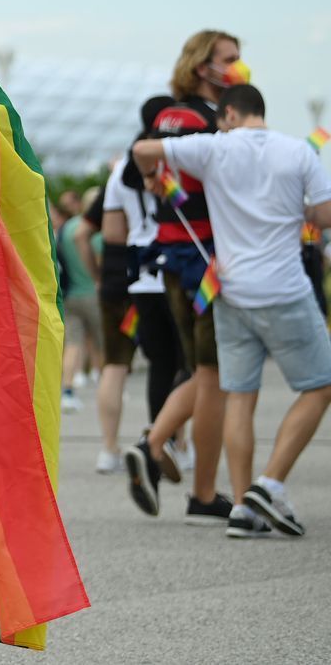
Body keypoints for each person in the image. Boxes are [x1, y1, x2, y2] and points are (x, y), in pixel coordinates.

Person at [132, 83, 331, 539]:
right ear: (258, 112)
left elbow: (143, 149)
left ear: (228, 116)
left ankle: (243, 508)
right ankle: (270, 481)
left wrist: (151, 178)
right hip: (285, 289)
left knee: (240, 396)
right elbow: (323, 215)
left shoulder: (214, 148)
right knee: (320, 386)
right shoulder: (298, 151)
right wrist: (295, 210)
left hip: (230, 290)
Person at [122, 31, 241, 526]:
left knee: (200, 369)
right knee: (214, 374)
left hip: (170, 255)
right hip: (207, 255)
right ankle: (191, 481)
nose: (238, 69)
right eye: (230, 60)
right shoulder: (207, 123)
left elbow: (134, 173)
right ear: (202, 67)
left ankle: (158, 447)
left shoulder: (164, 117)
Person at [81, 99, 190, 474]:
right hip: (177, 268)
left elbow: (112, 233)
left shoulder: (122, 171)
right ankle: (173, 442)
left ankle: (109, 449)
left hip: (135, 277)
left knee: (125, 364)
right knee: (185, 363)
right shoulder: (176, 160)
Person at [58, 187, 104, 412]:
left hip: (70, 294)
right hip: (94, 294)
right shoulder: (95, 232)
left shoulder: (67, 228)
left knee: (74, 344)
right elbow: (100, 261)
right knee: (103, 343)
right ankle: (106, 387)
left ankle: (67, 391)